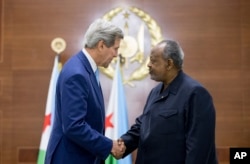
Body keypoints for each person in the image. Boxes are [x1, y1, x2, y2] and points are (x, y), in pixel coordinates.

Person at [119, 40, 218, 164]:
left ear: (169, 64)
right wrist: (122, 144)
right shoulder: (155, 92)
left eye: (153, 61)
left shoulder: (195, 94)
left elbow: (199, 148)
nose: (148, 65)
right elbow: (142, 126)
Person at [45, 19, 125, 164]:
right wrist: (109, 145)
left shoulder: (86, 69)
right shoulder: (77, 74)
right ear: (101, 45)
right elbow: (74, 126)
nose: (116, 54)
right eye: (115, 48)